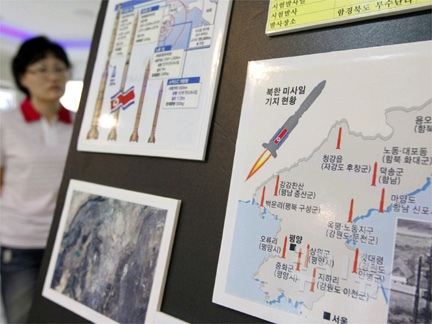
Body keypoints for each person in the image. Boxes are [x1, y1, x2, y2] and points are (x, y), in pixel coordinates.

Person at [0, 36, 74, 323]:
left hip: (69, 240)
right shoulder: (6, 124)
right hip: (19, 243)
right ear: (23, 77)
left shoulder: (81, 125)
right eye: (41, 69)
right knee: (24, 319)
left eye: (59, 68)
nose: (53, 76)